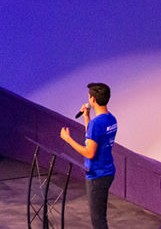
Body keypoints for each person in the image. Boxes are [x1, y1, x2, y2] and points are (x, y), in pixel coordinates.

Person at [61, 82, 117, 229]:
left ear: (93, 99)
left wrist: (68, 139)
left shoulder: (96, 124)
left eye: (89, 97)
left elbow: (90, 152)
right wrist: (87, 117)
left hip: (97, 175)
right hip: (107, 171)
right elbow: (91, 139)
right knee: (100, 218)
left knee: (98, 222)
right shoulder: (111, 119)